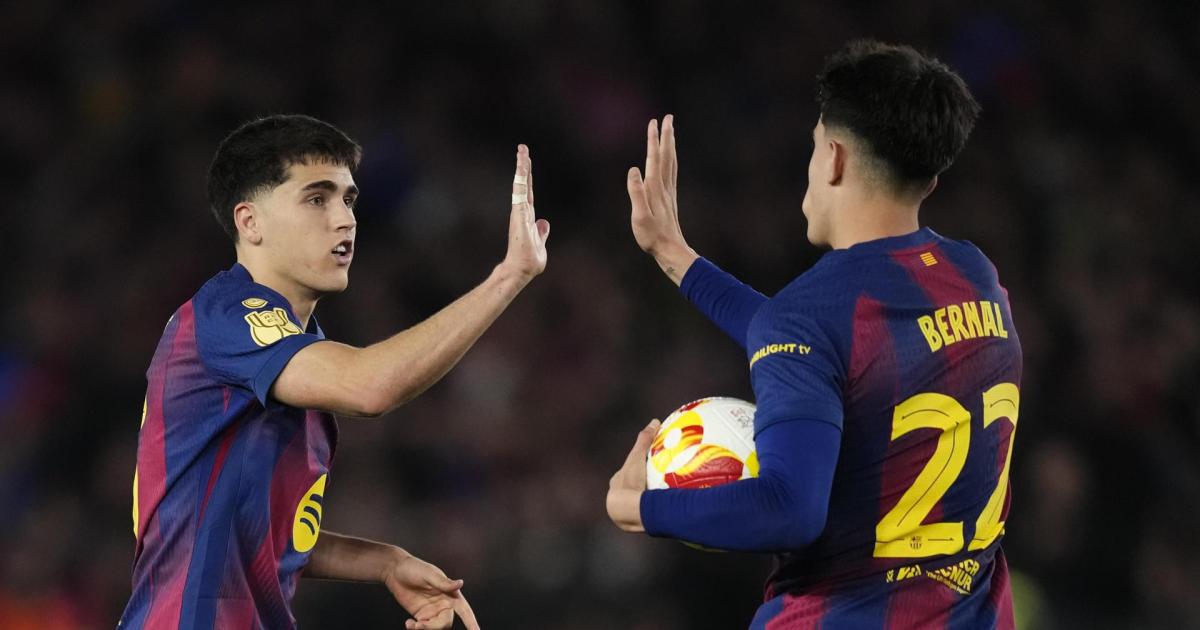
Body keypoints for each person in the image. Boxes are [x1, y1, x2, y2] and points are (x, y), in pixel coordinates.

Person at [606, 40, 1019, 628]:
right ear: (929, 181)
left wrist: (637, 507)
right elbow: (835, 349)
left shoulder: (811, 318)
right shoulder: (974, 277)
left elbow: (789, 508)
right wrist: (675, 255)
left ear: (833, 158)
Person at [121, 114, 549, 629]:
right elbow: (371, 387)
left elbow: (264, 532)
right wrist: (508, 277)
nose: (345, 219)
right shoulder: (227, 316)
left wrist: (384, 562)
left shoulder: (294, 353)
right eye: (316, 199)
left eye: (348, 199)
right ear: (250, 222)